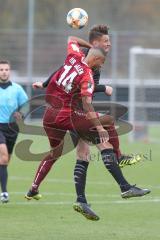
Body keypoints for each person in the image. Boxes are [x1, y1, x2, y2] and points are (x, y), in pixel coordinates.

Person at [25, 37, 150, 220]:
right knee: (105, 131)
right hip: (67, 115)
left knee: (81, 152)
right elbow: (88, 106)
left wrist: (92, 47)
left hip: (49, 116)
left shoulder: (73, 56)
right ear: (97, 60)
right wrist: (99, 127)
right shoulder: (87, 75)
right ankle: (124, 186)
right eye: (102, 62)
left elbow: (71, 38)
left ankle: (81, 200)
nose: (101, 66)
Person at [0, 60, 28, 203]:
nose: (4, 72)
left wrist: (21, 114)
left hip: (12, 128)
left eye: (6, 69)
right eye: (1, 69)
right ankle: (4, 192)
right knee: (3, 156)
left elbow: (26, 104)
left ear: (9, 71)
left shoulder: (17, 88)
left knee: (5, 161)